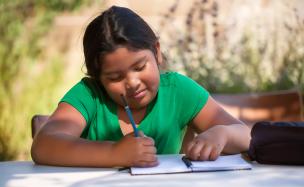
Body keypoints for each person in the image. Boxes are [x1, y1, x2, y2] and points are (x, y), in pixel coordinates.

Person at [31, 6, 251, 168]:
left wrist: (222, 134)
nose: (132, 83)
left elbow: (249, 137)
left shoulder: (178, 91)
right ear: (97, 78)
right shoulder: (89, 95)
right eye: (115, 77)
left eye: (139, 66)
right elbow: (43, 146)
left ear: (156, 52)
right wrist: (115, 153)